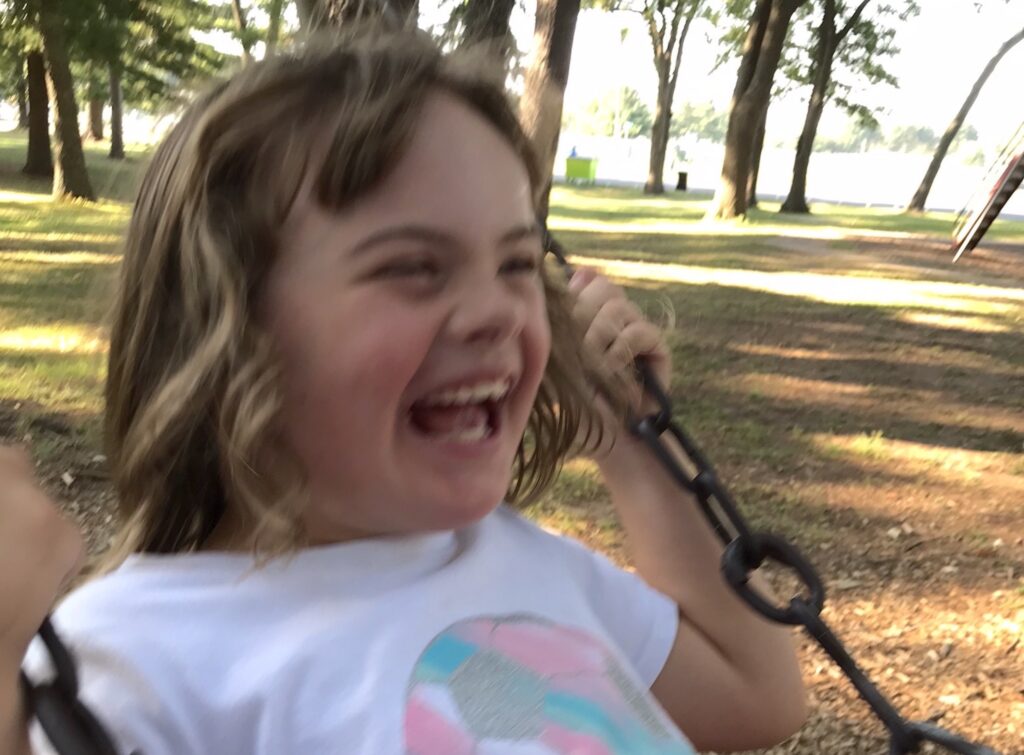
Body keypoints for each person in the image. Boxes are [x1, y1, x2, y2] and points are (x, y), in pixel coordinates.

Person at [1, 27, 806, 755]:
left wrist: (639, 447)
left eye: (518, 264)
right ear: (226, 331)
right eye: (414, 268)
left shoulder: (519, 558)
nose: (498, 309)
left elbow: (755, 694)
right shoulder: (137, 655)